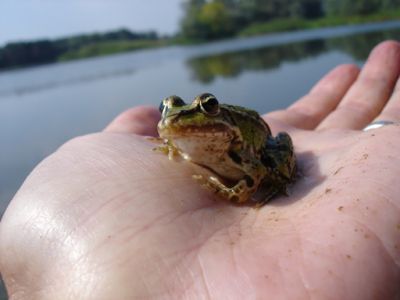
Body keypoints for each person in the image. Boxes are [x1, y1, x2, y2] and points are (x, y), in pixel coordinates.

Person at [1, 40, 400, 299]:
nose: (180, 117)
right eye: (169, 110)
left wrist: (230, 192)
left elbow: (253, 178)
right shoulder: (177, 129)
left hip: (262, 143)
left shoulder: (234, 142)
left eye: (205, 107)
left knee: (276, 167)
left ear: (215, 114)